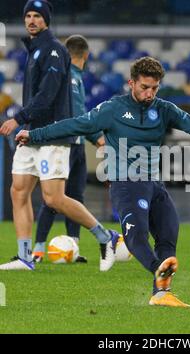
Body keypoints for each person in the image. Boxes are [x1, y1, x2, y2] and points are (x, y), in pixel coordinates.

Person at [15, 56, 190, 308]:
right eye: (144, 87)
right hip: (126, 184)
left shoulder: (164, 110)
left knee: (169, 232)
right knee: (136, 236)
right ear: (132, 83)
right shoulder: (112, 109)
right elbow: (75, 125)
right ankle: (157, 271)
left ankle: (161, 294)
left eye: (154, 88)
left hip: (154, 184)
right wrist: (34, 135)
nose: (150, 93)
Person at [0, 0, 119, 272]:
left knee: (53, 198)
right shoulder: (35, 50)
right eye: (28, 15)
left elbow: (48, 94)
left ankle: (105, 236)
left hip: (52, 133)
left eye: (37, 16)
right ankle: (25, 257)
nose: (31, 20)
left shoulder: (53, 50)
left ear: (46, 21)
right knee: (18, 191)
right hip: (32, 135)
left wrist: (18, 119)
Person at [32, 34, 104, 263]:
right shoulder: (69, 78)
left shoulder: (74, 76)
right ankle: (39, 249)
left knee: (74, 196)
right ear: (87, 55)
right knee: (55, 198)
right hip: (66, 143)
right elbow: (77, 114)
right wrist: (96, 136)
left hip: (76, 143)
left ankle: (72, 246)